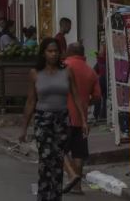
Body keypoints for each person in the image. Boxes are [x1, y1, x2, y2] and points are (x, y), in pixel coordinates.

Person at [19, 37, 87, 201]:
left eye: (56, 51)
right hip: (43, 119)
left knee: (57, 163)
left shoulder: (67, 71)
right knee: (46, 159)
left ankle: (56, 196)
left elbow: (76, 96)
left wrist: (84, 120)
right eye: (50, 51)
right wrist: (24, 128)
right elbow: (30, 102)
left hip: (62, 119)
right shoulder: (35, 73)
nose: (53, 54)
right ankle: (45, 195)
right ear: (43, 53)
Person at [62, 43, 101, 194]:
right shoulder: (90, 72)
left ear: (69, 52)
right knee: (79, 152)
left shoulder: (63, 66)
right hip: (81, 118)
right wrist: (85, 103)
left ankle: (71, 175)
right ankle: (77, 187)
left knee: (59, 149)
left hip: (63, 117)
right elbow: (97, 97)